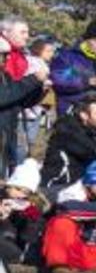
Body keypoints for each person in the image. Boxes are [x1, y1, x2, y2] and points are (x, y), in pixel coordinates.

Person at [0, 17, 47, 175]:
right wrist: (33, 80)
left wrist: (40, 89)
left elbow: (19, 101)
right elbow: (4, 96)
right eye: (3, 55)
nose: (6, 59)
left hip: (9, 131)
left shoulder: (5, 74)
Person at [0, 158, 43, 265]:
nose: (21, 195)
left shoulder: (29, 208)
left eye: (26, 192)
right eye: (18, 189)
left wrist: (27, 214)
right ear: (9, 185)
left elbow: (28, 238)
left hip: (15, 250)